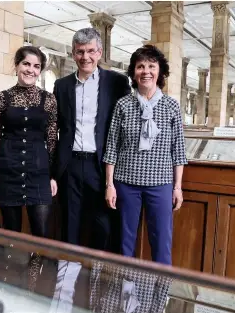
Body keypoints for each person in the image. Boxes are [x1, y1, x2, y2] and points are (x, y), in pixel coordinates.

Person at [104, 45, 188, 264]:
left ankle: (160, 296)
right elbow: (112, 146)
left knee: (161, 243)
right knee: (124, 243)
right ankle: (125, 292)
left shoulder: (171, 106)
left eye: (152, 66)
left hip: (160, 184)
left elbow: (178, 149)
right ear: (133, 72)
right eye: (140, 66)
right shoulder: (123, 105)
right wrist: (109, 185)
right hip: (125, 183)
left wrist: (177, 187)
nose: (146, 71)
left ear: (160, 72)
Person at [53, 28, 131, 252]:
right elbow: (55, 126)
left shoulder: (116, 82)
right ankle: (67, 282)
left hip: (102, 165)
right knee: (70, 225)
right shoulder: (62, 85)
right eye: (79, 52)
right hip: (70, 165)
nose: (85, 57)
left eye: (90, 51)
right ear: (72, 53)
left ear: (99, 52)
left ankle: (99, 279)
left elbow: (127, 122)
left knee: (104, 226)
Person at [0, 46, 58, 239]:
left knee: (41, 234)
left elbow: (51, 139)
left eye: (36, 66)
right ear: (16, 66)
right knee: (11, 234)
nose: (30, 70)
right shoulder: (2, 98)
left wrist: (52, 176)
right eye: (26, 64)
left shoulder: (49, 99)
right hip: (7, 171)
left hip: (39, 172)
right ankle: (13, 269)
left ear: (40, 70)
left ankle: (37, 268)